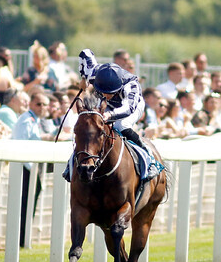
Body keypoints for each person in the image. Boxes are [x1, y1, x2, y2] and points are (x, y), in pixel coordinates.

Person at [62, 49, 159, 181]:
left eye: (111, 92)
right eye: (104, 91)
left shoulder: (131, 87)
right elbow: (85, 53)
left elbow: (127, 109)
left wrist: (109, 115)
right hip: (106, 105)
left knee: (121, 125)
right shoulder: (93, 73)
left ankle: (150, 160)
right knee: (89, 126)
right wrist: (83, 78)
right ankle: (72, 164)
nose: (107, 95)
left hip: (131, 106)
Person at [12, 92, 54, 246]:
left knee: (29, 204)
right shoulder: (26, 120)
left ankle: (24, 239)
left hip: (32, 167)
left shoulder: (35, 120)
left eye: (44, 104)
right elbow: (21, 143)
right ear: (31, 104)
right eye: (39, 104)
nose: (42, 107)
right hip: (26, 168)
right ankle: (21, 239)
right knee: (24, 205)